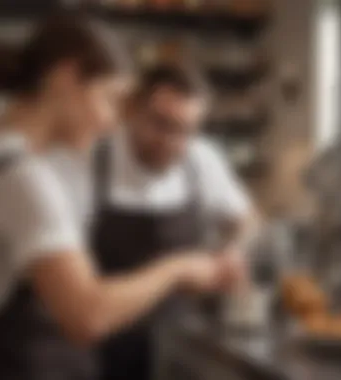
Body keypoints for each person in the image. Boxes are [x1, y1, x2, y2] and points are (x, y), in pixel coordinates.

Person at [0, 15, 238, 380]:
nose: (112, 122)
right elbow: (88, 316)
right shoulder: (23, 176)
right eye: (109, 98)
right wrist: (178, 268)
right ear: (66, 78)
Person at [91, 65, 255, 380]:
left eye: (185, 130)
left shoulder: (201, 159)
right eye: (161, 125)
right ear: (132, 110)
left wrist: (234, 250)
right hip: (102, 348)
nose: (172, 142)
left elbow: (246, 219)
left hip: (179, 346)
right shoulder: (95, 159)